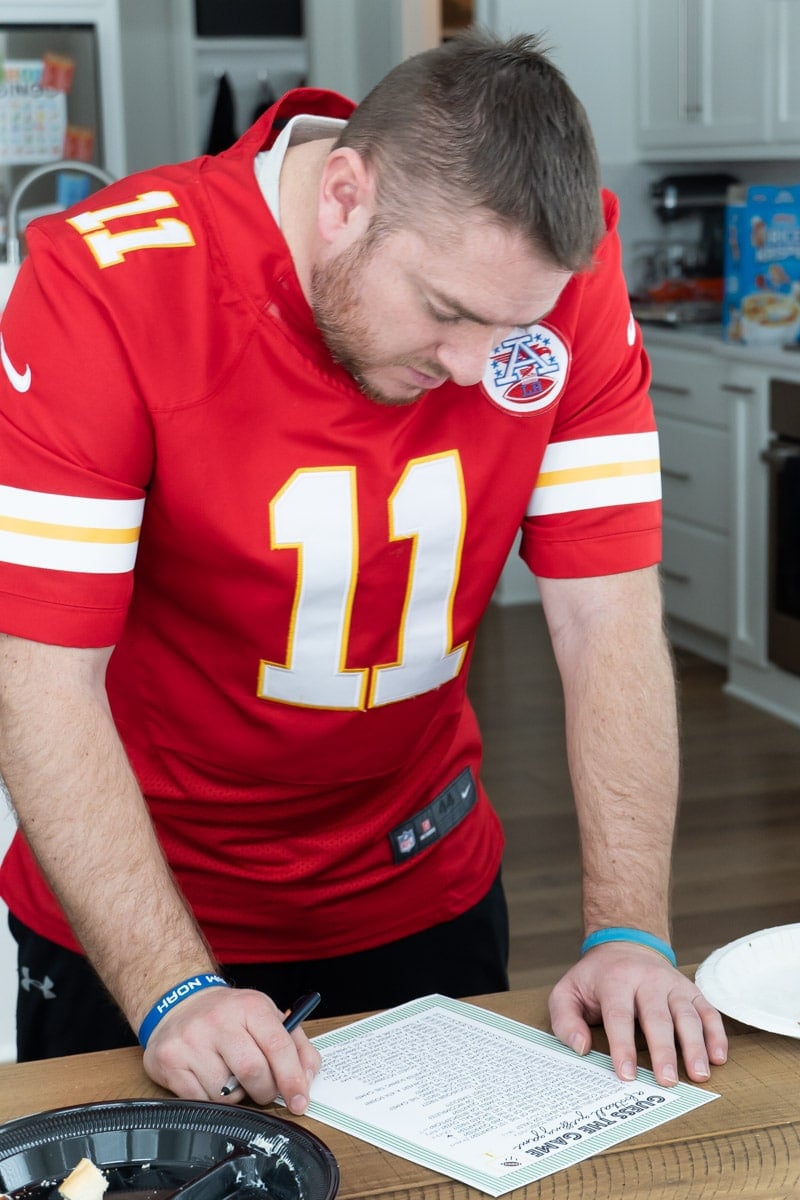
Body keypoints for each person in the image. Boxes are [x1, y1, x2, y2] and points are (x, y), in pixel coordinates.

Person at [0, 28, 727, 1110]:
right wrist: (170, 988)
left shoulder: (546, 273)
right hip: (145, 911)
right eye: (445, 313)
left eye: (511, 327)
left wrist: (628, 929)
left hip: (422, 884)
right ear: (342, 193)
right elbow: (42, 679)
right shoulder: (101, 283)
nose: (479, 368)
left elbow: (603, 617)